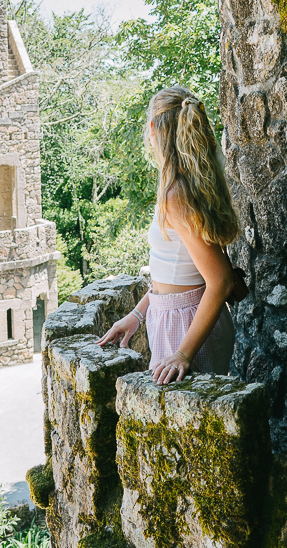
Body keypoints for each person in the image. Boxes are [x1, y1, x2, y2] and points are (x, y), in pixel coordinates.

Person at [96, 86, 239, 385]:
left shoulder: (177, 194)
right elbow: (174, 270)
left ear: (152, 129)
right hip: (179, 316)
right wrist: (136, 315)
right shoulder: (186, 184)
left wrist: (183, 353)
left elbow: (221, 280)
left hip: (186, 326)